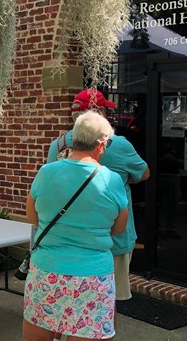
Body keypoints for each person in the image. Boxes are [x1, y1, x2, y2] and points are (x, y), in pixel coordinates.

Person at [24, 111, 129, 341]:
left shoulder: (46, 173)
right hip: (92, 277)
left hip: (47, 272)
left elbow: (33, 217)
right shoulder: (112, 181)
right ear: (101, 145)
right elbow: (119, 228)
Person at [46, 89, 150, 310]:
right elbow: (144, 174)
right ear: (97, 114)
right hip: (110, 239)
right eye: (105, 111)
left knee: (66, 299)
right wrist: (120, 181)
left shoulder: (57, 146)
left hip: (66, 238)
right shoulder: (118, 145)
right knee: (107, 302)